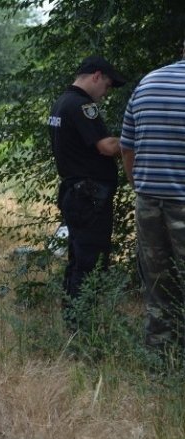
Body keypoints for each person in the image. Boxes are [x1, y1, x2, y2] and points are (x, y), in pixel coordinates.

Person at [47, 55, 126, 316]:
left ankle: (74, 318)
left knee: (79, 260)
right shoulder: (81, 105)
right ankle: (83, 324)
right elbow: (105, 146)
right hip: (90, 196)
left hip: (75, 193)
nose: (105, 94)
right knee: (91, 262)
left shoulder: (60, 103)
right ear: (96, 76)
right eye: (106, 85)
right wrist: (136, 137)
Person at [120, 41, 185, 351]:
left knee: (157, 283)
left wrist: (139, 186)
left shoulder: (148, 82)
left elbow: (127, 145)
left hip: (148, 200)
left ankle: (159, 353)